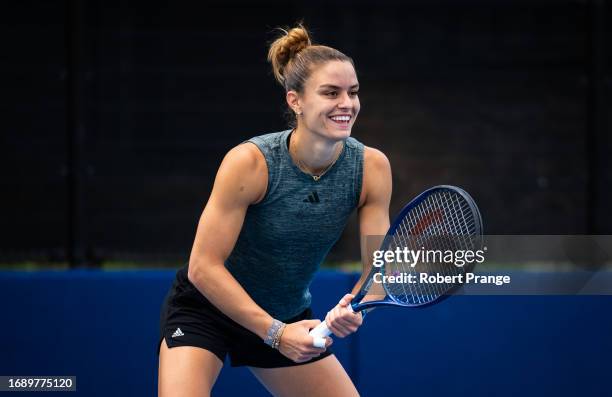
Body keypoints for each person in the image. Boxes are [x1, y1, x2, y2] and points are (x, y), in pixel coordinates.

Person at [158, 23, 392, 397]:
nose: (346, 103)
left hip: (287, 313)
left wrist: (358, 307)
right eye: (330, 93)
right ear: (295, 101)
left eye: (353, 92)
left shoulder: (372, 168)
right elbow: (203, 267)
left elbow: (377, 269)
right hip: (207, 311)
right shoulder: (250, 163)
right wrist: (274, 333)